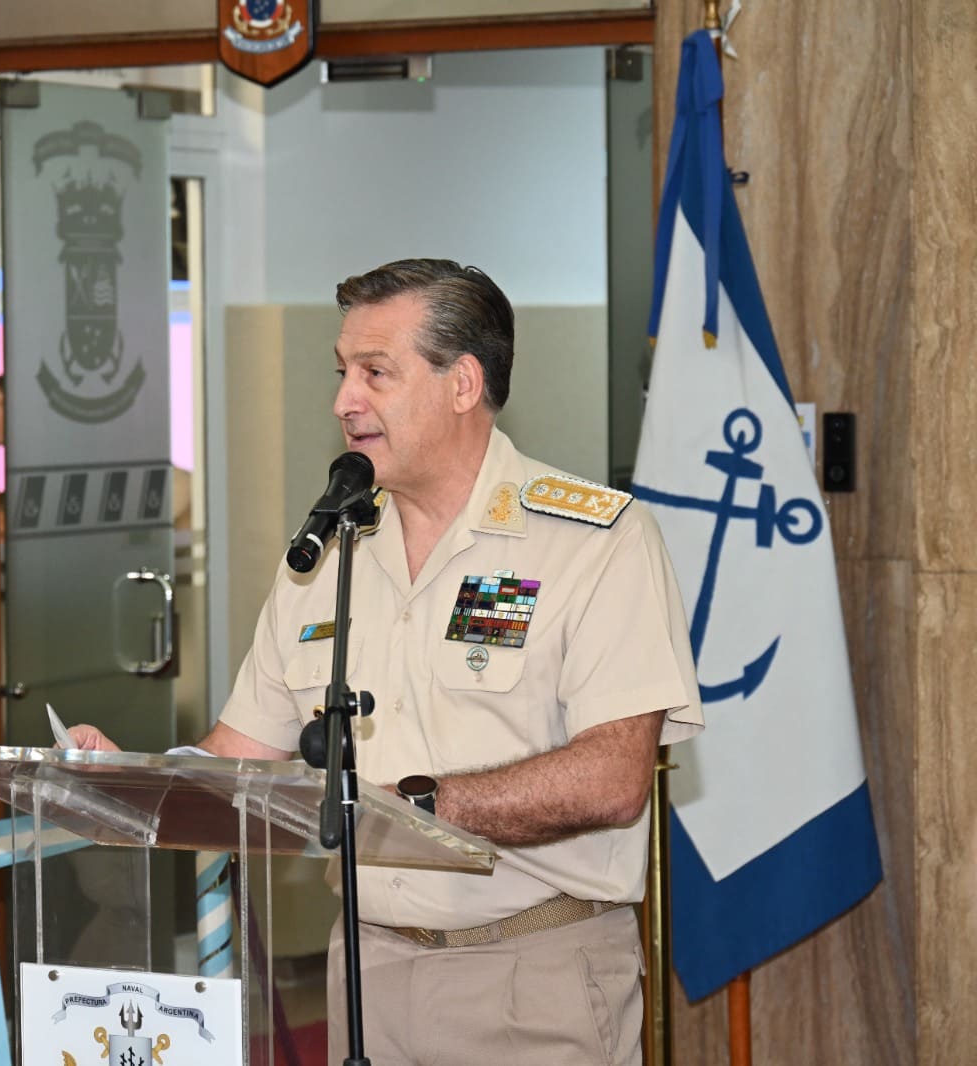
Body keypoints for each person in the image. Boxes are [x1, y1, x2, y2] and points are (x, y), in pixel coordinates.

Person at [71, 258, 702, 1065]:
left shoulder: (594, 544)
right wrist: (127, 781)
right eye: (342, 372)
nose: (344, 400)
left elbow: (614, 778)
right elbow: (240, 755)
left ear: (463, 384)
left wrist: (417, 805)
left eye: (376, 372)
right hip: (366, 972)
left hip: (531, 978)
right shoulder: (326, 554)